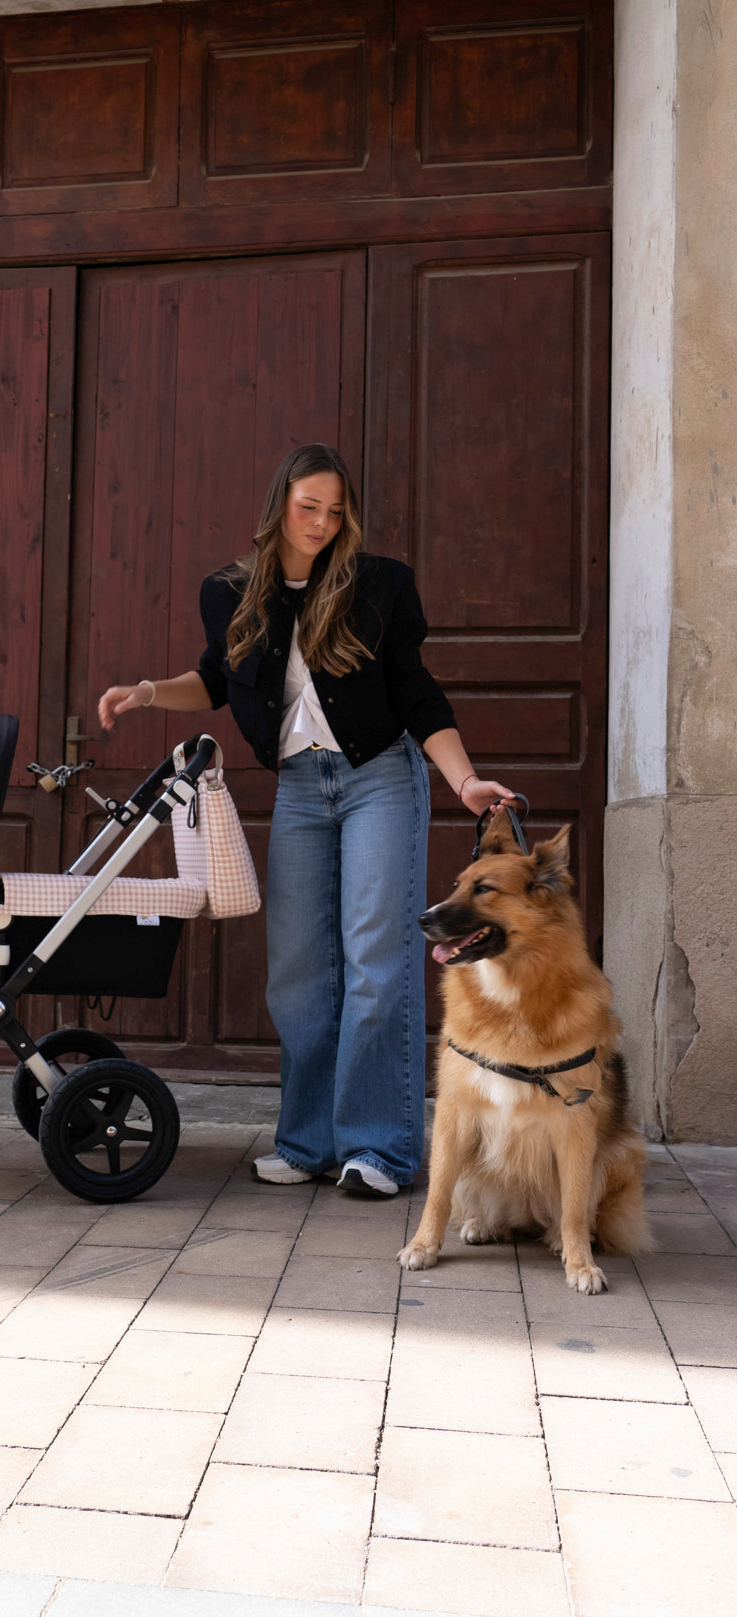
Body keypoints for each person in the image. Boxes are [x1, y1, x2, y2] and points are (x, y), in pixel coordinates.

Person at [98, 443, 517, 1195]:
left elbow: (417, 693)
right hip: (299, 786)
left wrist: (464, 779)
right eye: (307, 507)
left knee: (374, 963)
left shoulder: (379, 586)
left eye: (334, 510)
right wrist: (148, 692)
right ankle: (307, 1141)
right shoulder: (231, 592)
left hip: (380, 778)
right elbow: (213, 679)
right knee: (297, 972)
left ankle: (378, 1149)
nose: (322, 523)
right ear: (279, 505)